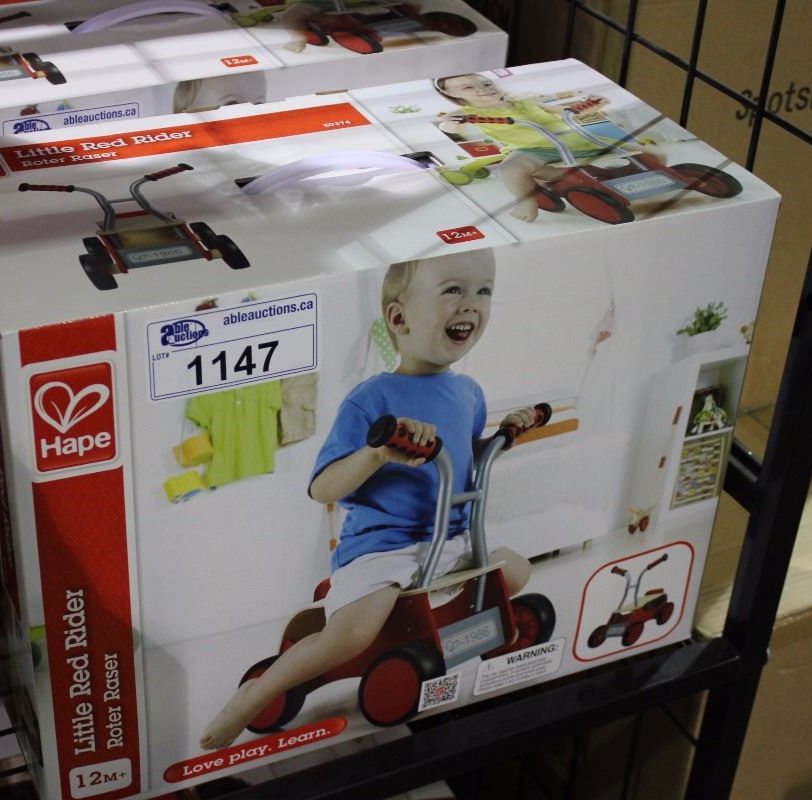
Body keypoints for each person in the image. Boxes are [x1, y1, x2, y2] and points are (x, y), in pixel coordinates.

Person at [199, 248, 536, 750]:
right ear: (399, 319)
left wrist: (505, 435)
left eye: (483, 290)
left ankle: (459, 640)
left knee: (516, 571)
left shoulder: (468, 393)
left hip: (451, 539)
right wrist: (377, 454)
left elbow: (465, 455)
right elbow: (322, 488)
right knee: (354, 634)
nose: (471, 303)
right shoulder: (371, 400)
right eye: (453, 290)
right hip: (384, 549)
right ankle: (255, 693)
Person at [434, 73, 665, 222]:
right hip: (534, 149)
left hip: (578, 140)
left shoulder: (523, 101)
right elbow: (450, 126)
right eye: (467, 88)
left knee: (654, 153)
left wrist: (589, 106)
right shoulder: (467, 113)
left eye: (486, 83)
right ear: (450, 94)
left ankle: (639, 177)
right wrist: (451, 123)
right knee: (511, 170)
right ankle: (526, 201)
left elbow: (565, 113)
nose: (482, 89)